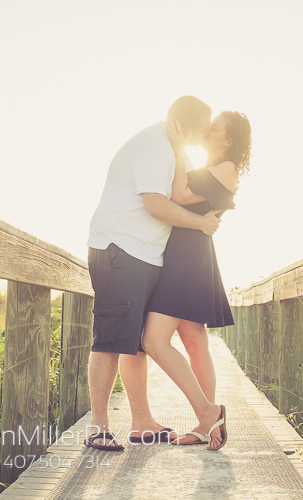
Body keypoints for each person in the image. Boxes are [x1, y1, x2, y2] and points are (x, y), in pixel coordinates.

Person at [85, 96, 224, 451]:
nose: (203, 136)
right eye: (202, 129)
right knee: (111, 338)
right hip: (121, 248)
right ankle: (98, 426)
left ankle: (142, 422)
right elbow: (156, 204)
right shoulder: (154, 145)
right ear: (189, 128)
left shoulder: (170, 147)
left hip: (143, 255)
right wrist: (203, 225)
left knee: (135, 343)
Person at [142, 111, 252, 451]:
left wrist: (176, 148)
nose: (208, 128)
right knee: (191, 337)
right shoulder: (212, 166)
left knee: (154, 340)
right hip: (186, 251)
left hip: (187, 257)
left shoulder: (228, 167)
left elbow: (180, 195)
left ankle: (209, 413)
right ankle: (208, 426)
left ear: (229, 140)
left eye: (215, 127)